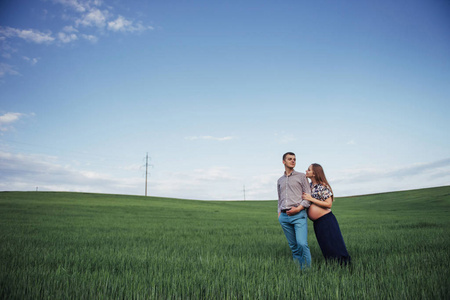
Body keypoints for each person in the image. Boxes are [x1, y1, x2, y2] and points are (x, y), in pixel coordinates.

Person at [302, 163, 351, 265]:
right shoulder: (309, 186)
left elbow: (328, 204)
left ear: (314, 173)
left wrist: (311, 199)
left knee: (334, 243)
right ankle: (332, 265)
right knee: (325, 245)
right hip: (318, 222)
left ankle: (344, 265)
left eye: (309, 170)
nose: (306, 171)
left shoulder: (322, 186)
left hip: (327, 220)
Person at [277, 152, 312, 269]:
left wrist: (299, 209)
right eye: (290, 159)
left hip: (299, 215)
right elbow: (280, 198)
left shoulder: (302, 176)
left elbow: (308, 195)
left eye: (294, 159)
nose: (293, 161)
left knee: (302, 243)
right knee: (293, 246)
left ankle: (307, 271)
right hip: (284, 216)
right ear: (283, 162)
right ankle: (299, 270)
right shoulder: (280, 180)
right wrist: (279, 214)